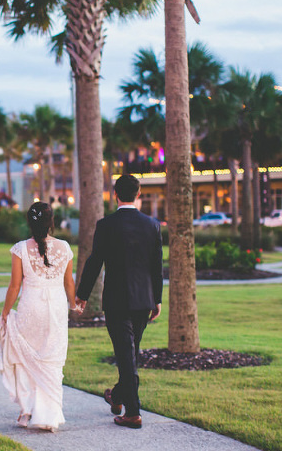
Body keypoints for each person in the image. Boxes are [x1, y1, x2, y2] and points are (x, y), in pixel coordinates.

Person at [74, 174, 163, 429]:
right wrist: (157, 299)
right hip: (143, 299)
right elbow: (157, 266)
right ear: (139, 194)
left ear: (115, 195)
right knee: (130, 352)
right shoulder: (152, 225)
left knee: (126, 353)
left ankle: (133, 412)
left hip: (116, 299)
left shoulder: (106, 225)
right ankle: (117, 395)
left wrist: (82, 294)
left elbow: (94, 262)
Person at [0, 201, 80, 432]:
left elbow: (14, 287)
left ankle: (27, 411)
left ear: (29, 222)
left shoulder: (20, 249)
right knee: (51, 360)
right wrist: (73, 305)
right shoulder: (64, 247)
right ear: (51, 222)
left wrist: (5, 313)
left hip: (31, 307)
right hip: (55, 309)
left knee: (26, 358)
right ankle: (49, 414)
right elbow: (68, 282)